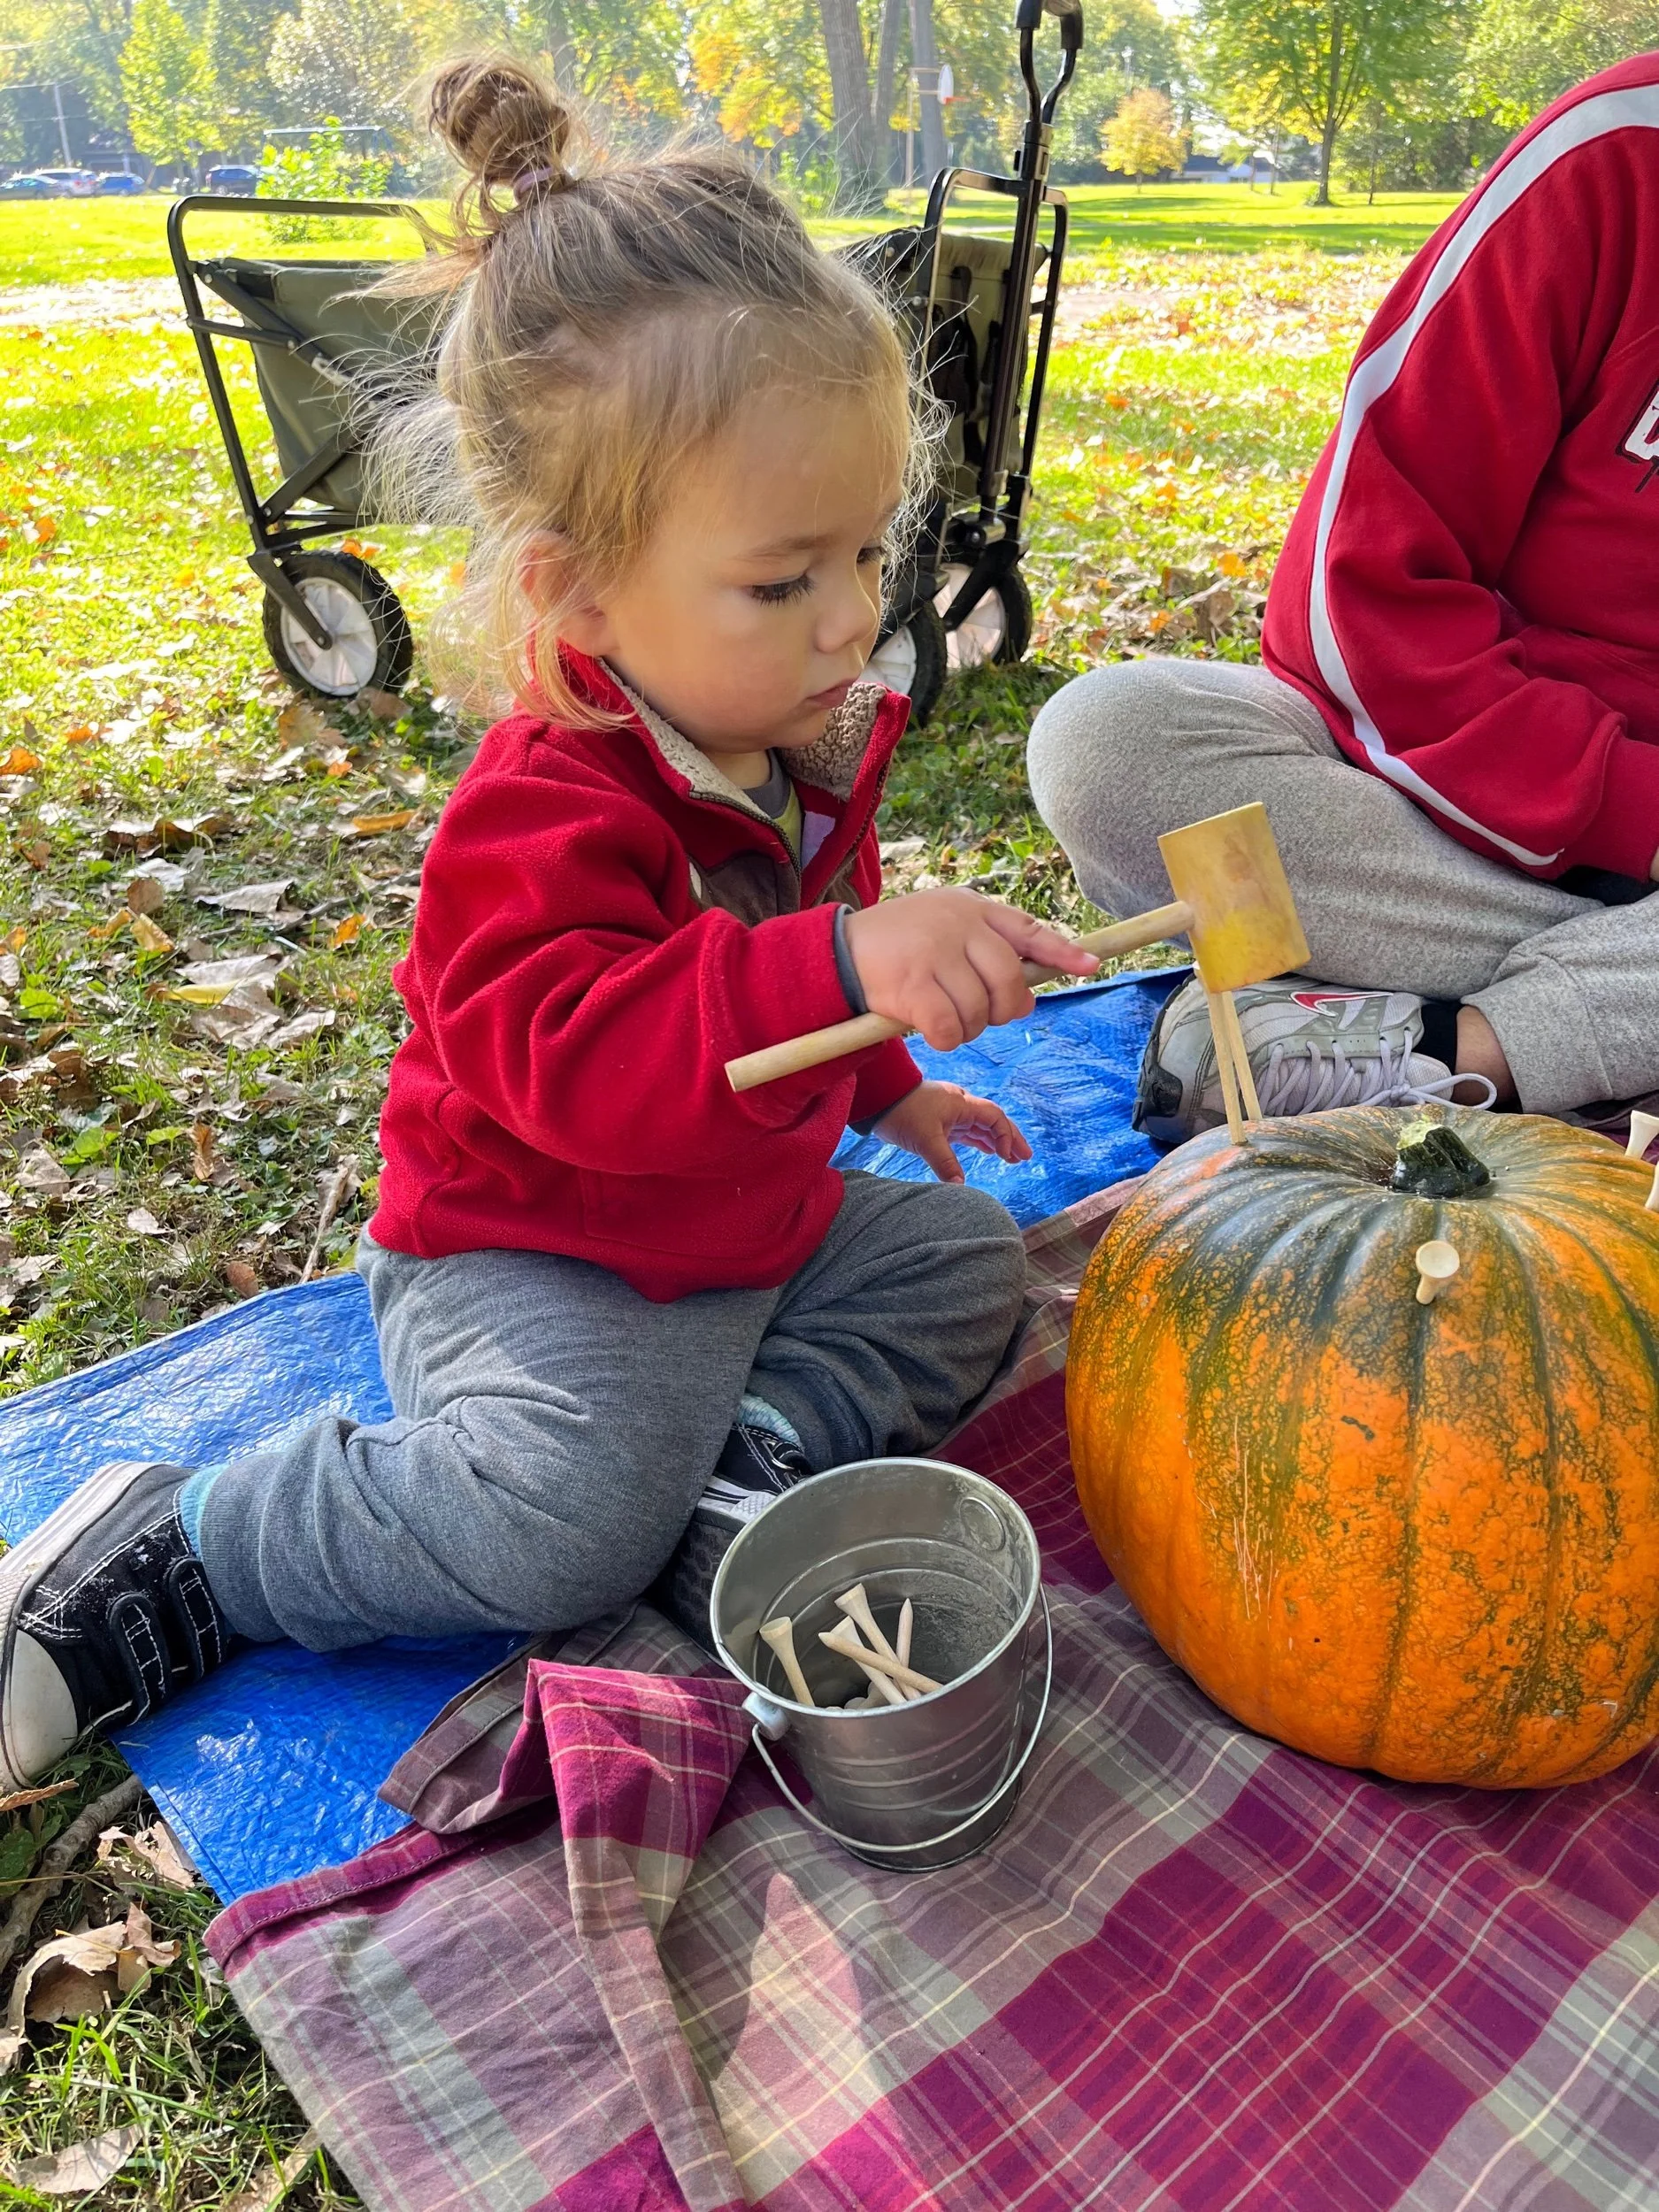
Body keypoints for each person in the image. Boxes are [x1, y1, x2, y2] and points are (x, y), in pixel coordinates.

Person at [0, 58, 1101, 1791]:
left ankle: (743, 1459)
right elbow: (584, 1064)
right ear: (578, 590)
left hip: (739, 1224)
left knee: (970, 1260)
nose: (848, 622)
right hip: (541, 1252)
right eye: (781, 576)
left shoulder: (799, 739)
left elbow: (821, 936)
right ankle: (196, 1543)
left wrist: (886, 1083)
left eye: (865, 551)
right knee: (557, 1534)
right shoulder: (543, 808)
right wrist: (834, 968)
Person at [1027, 51, 1659, 1143]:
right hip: (1445, 812)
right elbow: (1358, 591)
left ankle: (1451, 1052)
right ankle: (1610, 1032)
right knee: (1108, 742)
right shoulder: (1616, 161)